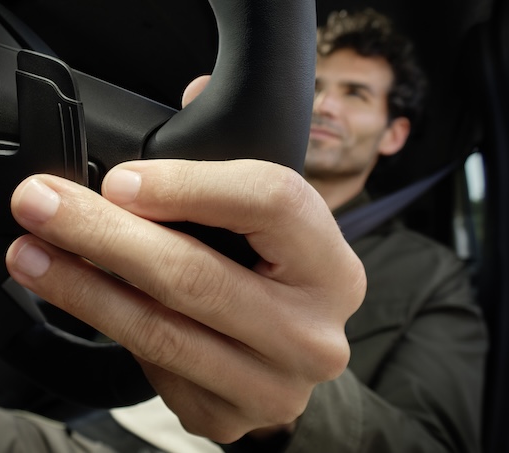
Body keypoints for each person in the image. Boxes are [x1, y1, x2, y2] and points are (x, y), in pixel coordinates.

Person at [72, 8, 489, 453]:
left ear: (394, 134)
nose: (324, 106)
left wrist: (292, 408)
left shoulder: (432, 274)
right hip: (83, 423)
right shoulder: (202, 199)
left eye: (355, 94)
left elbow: (434, 444)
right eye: (315, 87)